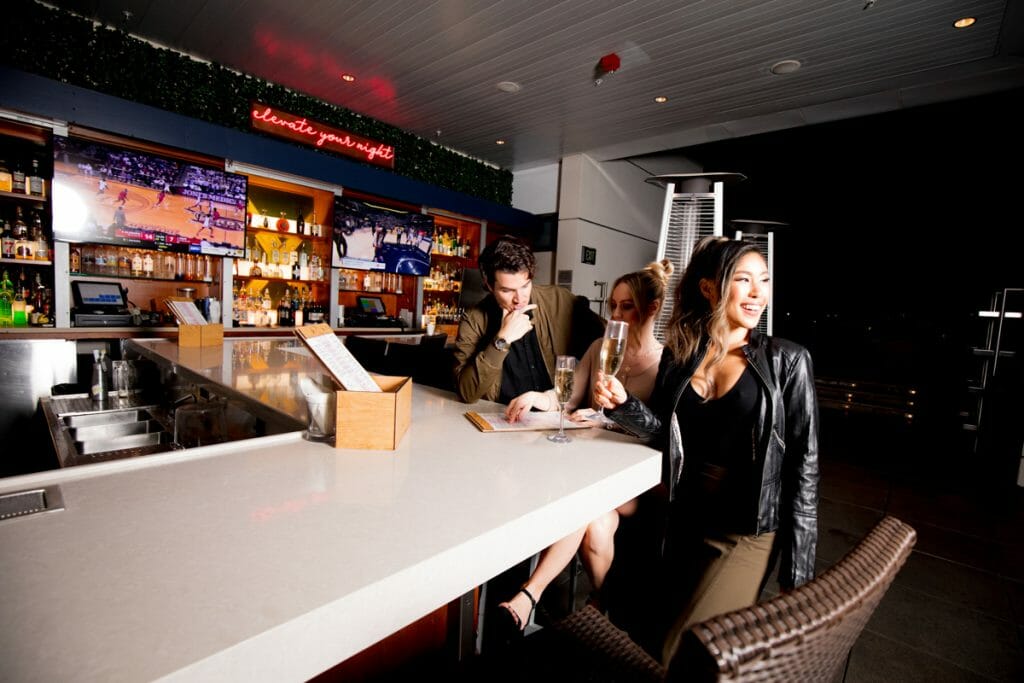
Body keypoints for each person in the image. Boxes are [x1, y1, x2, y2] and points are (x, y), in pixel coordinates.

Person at [596, 236, 819, 664]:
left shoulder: (788, 361)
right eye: (743, 279)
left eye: (765, 281)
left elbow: (803, 472)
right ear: (709, 288)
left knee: (680, 652)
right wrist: (624, 405)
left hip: (743, 532)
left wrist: (798, 578)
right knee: (639, 631)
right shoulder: (681, 356)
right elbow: (664, 433)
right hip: (680, 521)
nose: (758, 293)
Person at [497, 259, 673, 633]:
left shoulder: (665, 363)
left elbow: (657, 432)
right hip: (593, 467)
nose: (616, 314)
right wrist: (535, 397)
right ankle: (598, 602)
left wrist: (605, 418)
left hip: (634, 479)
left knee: (583, 500)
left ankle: (533, 594)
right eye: (613, 305)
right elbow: (567, 396)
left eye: (627, 306)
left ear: (652, 309)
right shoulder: (600, 346)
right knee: (595, 520)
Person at [453, 235, 603, 404]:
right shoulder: (473, 320)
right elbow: (467, 393)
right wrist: (501, 341)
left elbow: (609, 342)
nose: (519, 298)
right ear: (489, 285)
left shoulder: (559, 300)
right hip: (502, 416)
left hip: (553, 416)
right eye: (507, 290)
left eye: (525, 286)